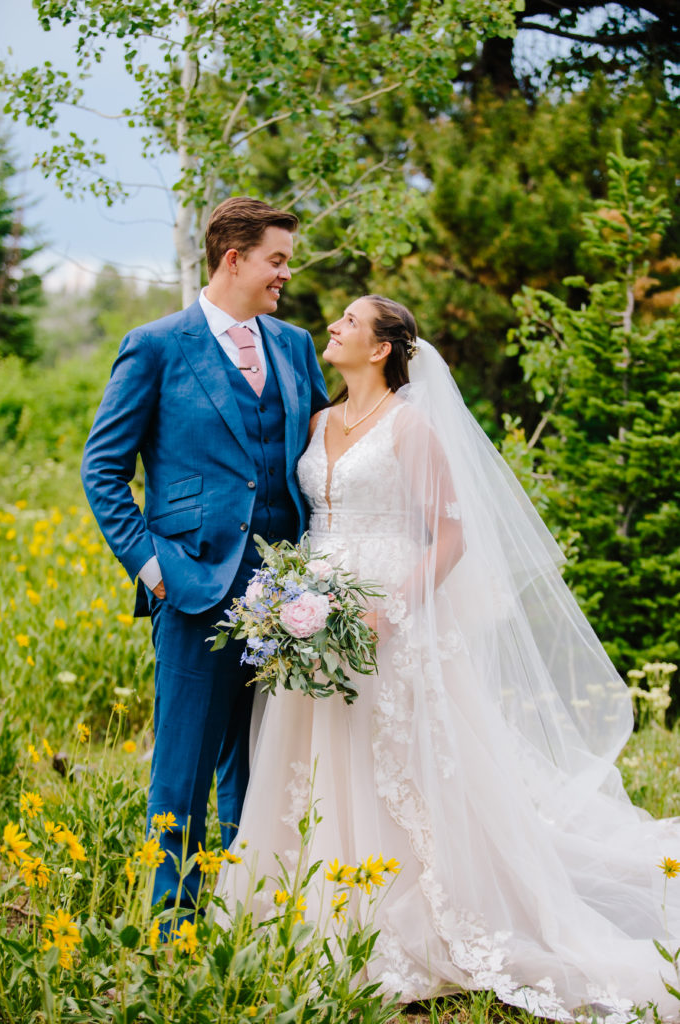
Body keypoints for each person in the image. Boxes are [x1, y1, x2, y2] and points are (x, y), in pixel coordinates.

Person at [216, 294, 680, 1020]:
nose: (331, 328)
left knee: (403, 766)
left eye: (347, 322)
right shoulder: (317, 421)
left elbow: (451, 537)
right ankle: (314, 914)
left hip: (390, 618)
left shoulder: (412, 427)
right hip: (315, 615)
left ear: (379, 349)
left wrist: (388, 612)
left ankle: (418, 917)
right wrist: (293, 601)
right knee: (318, 758)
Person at [81, 197, 328, 911]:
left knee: (260, 757)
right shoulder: (156, 344)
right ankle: (173, 922)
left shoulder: (294, 345)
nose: (285, 273)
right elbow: (103, 469)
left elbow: (314, 454)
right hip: (191, 585)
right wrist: (151, 566)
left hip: (291, 596)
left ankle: (245, 907)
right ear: (233, 258)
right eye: (276, 260)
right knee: (183, 766)